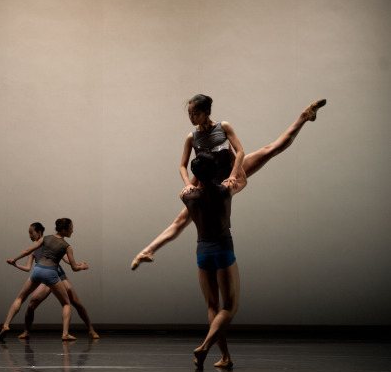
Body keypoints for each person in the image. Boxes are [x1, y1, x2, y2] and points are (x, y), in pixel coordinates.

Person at [131, 95, 326, 270]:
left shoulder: (223, 127)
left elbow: (240, 151)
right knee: (181, 220)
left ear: (206, 113)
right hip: (206, 180)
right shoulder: (192, 137)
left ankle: (304, 115)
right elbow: (182, 165)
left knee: (271, 149)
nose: (191, 118)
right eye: (189, 114)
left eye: (195, 113)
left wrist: (233, 175)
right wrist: (187, 184)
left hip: (230, 170)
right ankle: (148, 251)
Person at [181, 153, 246, 369]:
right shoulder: (224, 191)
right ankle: (205, 347)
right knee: (230, 307)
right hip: (223, 251)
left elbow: (189, 187)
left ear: (195, 174)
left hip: (203, 252)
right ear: (216, 172)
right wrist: (233, 156)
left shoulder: (187, 197)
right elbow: (243, 179)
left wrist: (191, 181)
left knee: (212, 306)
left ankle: (225, 356)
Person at [1, 218, 89, 341]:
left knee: (20, 298)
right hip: (51, 273)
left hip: (37, 270)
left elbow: (28, 250)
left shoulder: (46, 238)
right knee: (66, 303)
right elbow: (74, 267)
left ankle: (5, 325)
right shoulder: (67, 246)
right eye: (71, 229)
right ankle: (65, 334)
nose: (72, 231)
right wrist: (82, 267)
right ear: (64, 230)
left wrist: (14, 260)